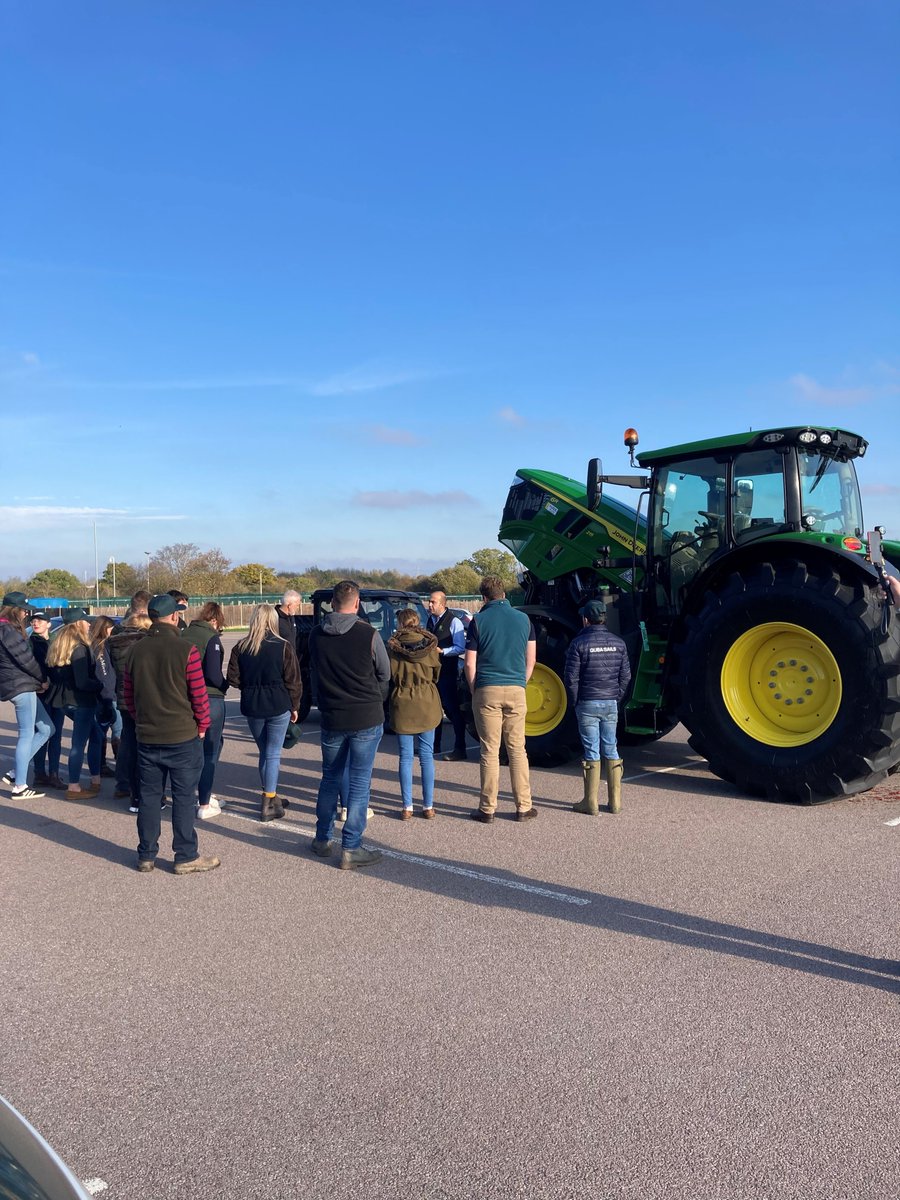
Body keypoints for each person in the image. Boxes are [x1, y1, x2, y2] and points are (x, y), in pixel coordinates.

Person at [123, 593, 217, 875]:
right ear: (174, 617)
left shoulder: (135, 651)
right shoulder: (185, 649)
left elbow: (129, 696)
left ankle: (146, 854)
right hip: (182, 735)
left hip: (148, 735)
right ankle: (185, 854)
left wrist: (142, 720)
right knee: (184, 796)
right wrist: (202, 726)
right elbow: (198, 696)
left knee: (150, 797)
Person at [307, 580, 390, 870]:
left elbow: (315, 670)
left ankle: (322, 838)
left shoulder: (316, 635)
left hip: (332, 715)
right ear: (356, 603)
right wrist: (375, 700)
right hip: (365, 716)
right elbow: (384, 674)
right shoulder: (368, 633)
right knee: (359, 781)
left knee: (330, 777)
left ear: (331, 602)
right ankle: (351, 846)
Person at [464, 575, 536, 823]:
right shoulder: (524, 619)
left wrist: (475, 688)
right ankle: (524, 806)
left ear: (484, 597)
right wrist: (520, 683)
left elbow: (470, 662)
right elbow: (531, 660)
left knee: (489, 751)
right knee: (517, 749)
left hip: (487, 688)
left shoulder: (479, 620)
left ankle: (487, 808)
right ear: (503, 594)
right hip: (516, 688)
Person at [226, 603, 301, 822]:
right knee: (273, 752)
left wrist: (248, 687)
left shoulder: (241, 646)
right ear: (273, 620)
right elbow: (293, 680)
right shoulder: (283, 646)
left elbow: (232, 677)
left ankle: (271, 793)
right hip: (278, 702)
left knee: (265, 751)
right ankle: (269, 799)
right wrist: (294, 705)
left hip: (253, 704)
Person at [564, 599, 631, 816]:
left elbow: (571, 678)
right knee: (611, 747)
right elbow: (626, 676)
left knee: (591, 750)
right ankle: (615, 802)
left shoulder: (578, 644)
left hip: (587, 702)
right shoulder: (619, 643)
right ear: (604, 618)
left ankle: (590, 803)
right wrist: (616, 697)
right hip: (610, 702)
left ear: (585, 619)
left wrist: (575, 700)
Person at [387, 608, 441, 819]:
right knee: (426, 756)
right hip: (426, 699)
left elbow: (389, 674)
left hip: (402, 699)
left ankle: (407, 806)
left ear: (400, 624)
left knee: (405, 756)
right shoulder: (430, 647)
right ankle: (428, 805)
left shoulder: (392, 648)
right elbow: (436, 672)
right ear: (417, 622)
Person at [44, 609, 103, 799]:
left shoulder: (58, 645)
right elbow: (82, 682)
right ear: (78, 624)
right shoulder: (79, 648)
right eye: (86, 621)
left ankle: (95, 779)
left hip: (63, 700)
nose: (89, 624)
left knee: (97, 735)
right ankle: (74, 786)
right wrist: (99, 684)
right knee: (79, 743)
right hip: (81, 701)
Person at [0, 592, 53, 799]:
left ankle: (15, 772)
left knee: (48, 728)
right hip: (22, 687)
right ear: (15, 611)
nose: (26, 613)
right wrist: (42, 679)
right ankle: (20, 787)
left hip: (16, 685)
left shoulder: (5, 629)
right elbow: (26, 660)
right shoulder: (9, 631)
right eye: (23, 610)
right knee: (26, 734)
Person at [183, 602, 229, 820]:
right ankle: (204, 801)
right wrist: (225, 685)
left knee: (192, 749)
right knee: (211, 749)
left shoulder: (184, 634)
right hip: (209, 697)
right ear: (214, 620)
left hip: (186, 697)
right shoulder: (211, 638)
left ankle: (193, 793)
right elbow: (213, 673)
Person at [108, 611, 151, 811]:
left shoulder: (114, 643)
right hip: (139, 697)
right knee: (143, 746)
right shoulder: (142, 643)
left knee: (128, 741)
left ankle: (123, 784)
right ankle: (141, 791)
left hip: (122, 696)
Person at [425, 590, 468, 760]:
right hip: (432, 673)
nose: (429, 605)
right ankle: (434, 746)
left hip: (447, 672)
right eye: (429, 601)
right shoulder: (430, 620)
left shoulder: (454, 621)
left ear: (442, 604)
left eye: (433, 602)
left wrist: (443, 651)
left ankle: (460, 747)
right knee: (434, 710)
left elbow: (461, 647)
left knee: (452, 709)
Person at [89, 615, 122, 778]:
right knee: (116, 732)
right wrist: (109, 697)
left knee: (103, 733)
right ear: (103, 628)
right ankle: (113, 765)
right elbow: (104, 675)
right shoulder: (99, 647)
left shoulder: (103, 646)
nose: (113, 631)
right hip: (106, 698)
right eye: (110, 628)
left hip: (105, 696)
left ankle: (103, 765)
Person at [27, 610, 54, 787]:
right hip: (39, 692)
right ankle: (39, 772)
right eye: (33, 620)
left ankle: (54, 773)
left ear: (48, 624)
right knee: (42, 732)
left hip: (55, 692)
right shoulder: (30, 642)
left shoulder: (55, 641)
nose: (36, 623)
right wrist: (39, 683)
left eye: (40, 620)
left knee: (55, 734)